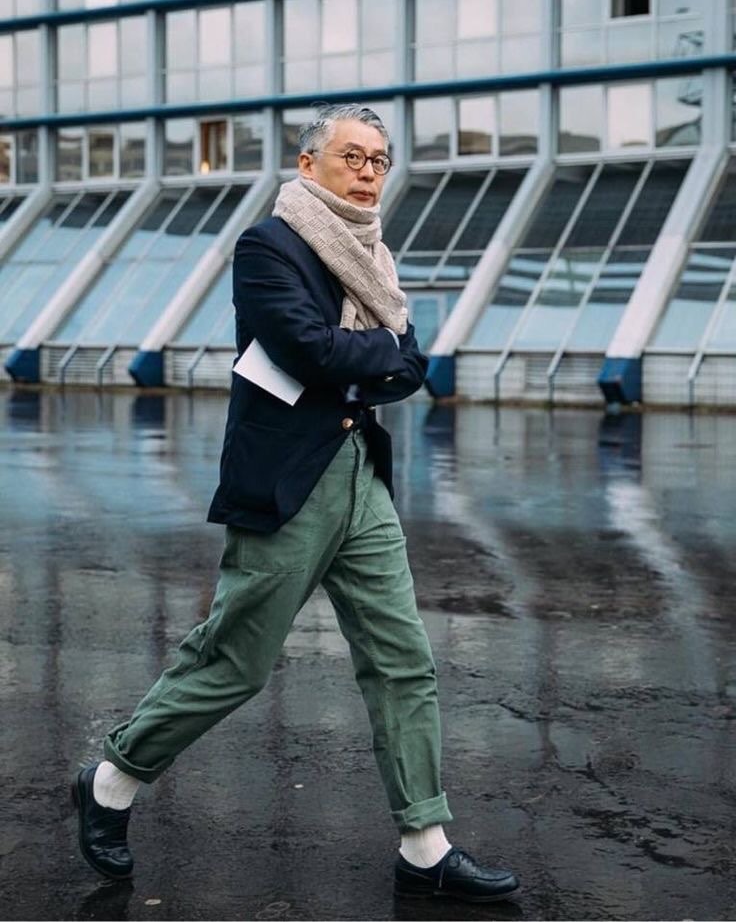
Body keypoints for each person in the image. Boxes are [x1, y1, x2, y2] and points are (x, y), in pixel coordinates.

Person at [72, 103, 520, 904]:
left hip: (359, 472)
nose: (368, 172)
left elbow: (410, 365)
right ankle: (111, 778)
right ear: (309, 163)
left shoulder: (374, 254)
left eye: (379, 160)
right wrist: (378, 352)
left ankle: (424, 843)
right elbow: (307, 348)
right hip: (286, 479)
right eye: (353, 156)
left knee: (402, 658)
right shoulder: (268, 245)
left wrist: (370, 356)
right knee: (235, 660)